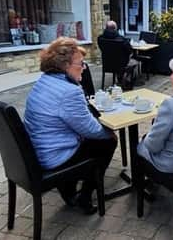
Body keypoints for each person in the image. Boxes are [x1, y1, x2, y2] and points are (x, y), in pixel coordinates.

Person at [24, 37, 118, 214]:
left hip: (39, 150)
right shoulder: (69, 91)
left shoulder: (44, 81)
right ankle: (85, 196)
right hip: (55, 156)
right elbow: (90, 130)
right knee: (108, 142)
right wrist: (111, 129)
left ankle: (67, 189)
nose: (84, 68)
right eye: (81, 63)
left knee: (96, 140)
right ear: (65, 65)